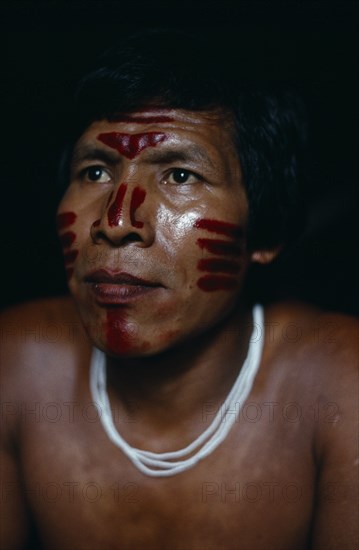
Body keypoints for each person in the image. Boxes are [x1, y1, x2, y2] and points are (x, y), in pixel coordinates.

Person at [1, 29, 358, 550]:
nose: (118, 221)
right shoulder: (15, 366)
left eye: (181, 175)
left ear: (267, 231)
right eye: (96, 170)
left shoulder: (342, 383)